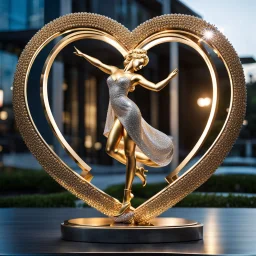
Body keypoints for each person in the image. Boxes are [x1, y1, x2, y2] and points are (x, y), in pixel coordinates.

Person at [74, 47, 178, 217]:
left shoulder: (135, 77)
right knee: (110, 149)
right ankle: (137, 170)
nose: (140, 66)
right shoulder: (115, 70)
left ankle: (126, 197)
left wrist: (169, 77)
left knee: (130, 154)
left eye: (143, 65)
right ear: (133, 57)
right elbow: (98, 63)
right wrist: (84, 54)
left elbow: (156, 87)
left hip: (130, 112)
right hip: (118, 113)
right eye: (140, 62)